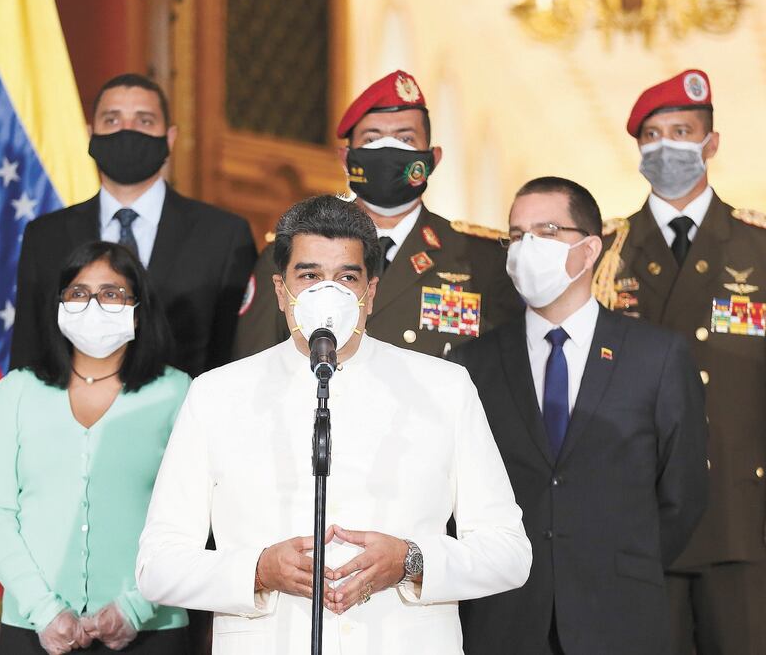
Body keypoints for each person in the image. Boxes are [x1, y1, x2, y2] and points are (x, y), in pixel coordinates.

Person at [135, 194, 532, 654]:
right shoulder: (215, 394)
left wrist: (412, 561)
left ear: (371, 292)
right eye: (309, 276)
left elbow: (510, 553)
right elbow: (157, 567)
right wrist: (259, 571)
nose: (330, 292)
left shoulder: (444, 388)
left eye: (347, 277)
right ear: (281, 291)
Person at [452, 177, 708, 655]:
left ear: (589, 250)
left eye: (546, 231)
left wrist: (620, 559)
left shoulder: (657, 356)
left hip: (620, 614)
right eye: (516, 234)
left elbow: (684, 491)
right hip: (504, 618)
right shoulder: (471, 364)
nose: (527, 247)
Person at [593, 69, 766, 654]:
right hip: (636, 521)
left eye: (682, 131)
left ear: (711, 143)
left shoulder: (759, 249)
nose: (667, 147)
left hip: (743, 519)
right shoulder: (604, 251)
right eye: (653, 135)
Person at [0, 241, 191, 655]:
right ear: (59, 306)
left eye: (111, 293)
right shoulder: (17, 391)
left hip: (152, 628)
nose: (93, 305)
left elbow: (194, 519)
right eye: (78, 293)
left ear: (137, 309)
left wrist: (134, 608)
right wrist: (44, 610)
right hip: (32, 628)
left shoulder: (178, 392)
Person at [233, 70, 522, 360]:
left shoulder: (482, 260)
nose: (388, 150)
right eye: (372, 139)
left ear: (432, 159)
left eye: (405, 138)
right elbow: (253, 366)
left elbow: (503, 376)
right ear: (346, 159)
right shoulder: (290, 252)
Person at [11, 73, 257, 378]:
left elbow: (237, 354)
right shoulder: (46, 235)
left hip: (186, 418)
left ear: (169, 137)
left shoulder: (224, 236)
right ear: (91, 134)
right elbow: (28, 348)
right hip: (71, 417)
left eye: (144, 121)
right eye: (112, 121)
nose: (127, 131)